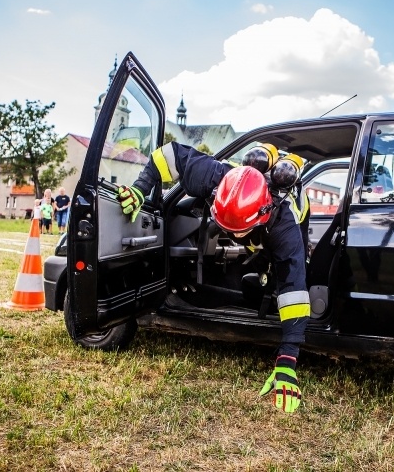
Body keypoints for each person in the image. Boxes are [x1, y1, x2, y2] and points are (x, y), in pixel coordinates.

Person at [117, 142, 310, 413]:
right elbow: (168, 155)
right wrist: (140, 188)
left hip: (289, 223)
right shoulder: (214, 176)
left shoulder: (284, 226)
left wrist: (287, 361)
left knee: (289, 270)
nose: (231, 235)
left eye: (238, 232)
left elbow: (295, 291)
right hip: (253, 220)